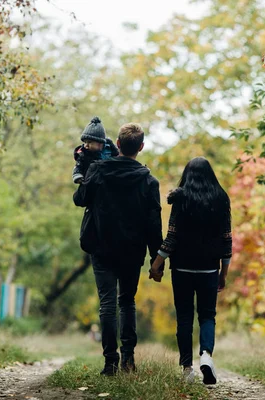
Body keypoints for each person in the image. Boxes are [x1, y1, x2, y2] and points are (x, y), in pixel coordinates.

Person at [73, 122, 163, 376]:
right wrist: (157, 258)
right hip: (132, 251)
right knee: (127, 303)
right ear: (141, 147)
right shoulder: (148, 180)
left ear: (118, 144)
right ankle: (128, 360)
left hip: (101, 247)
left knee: (107, 304)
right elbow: (154, 225)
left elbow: (80, 199)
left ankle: (110, 362)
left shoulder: (98, 170)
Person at [150, 157, 232, 385]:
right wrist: (223, 274)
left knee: (184, 316)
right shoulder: (221, 198)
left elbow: (172, 237)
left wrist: (157, 262)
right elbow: (227, 240)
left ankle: (187, 367)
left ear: (187, 175)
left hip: (182, 268)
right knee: (207, 316)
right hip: (208, 269)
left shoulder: (181, 198)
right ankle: (206, 355)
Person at [72, 117, 119, 184]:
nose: (86, 145)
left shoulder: (110, 149)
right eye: (85, 142)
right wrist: (78, 176)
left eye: (89, 142)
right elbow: (78, 166)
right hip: (92, 181)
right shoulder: (83, 154)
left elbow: (117, 159)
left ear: (100, 143)